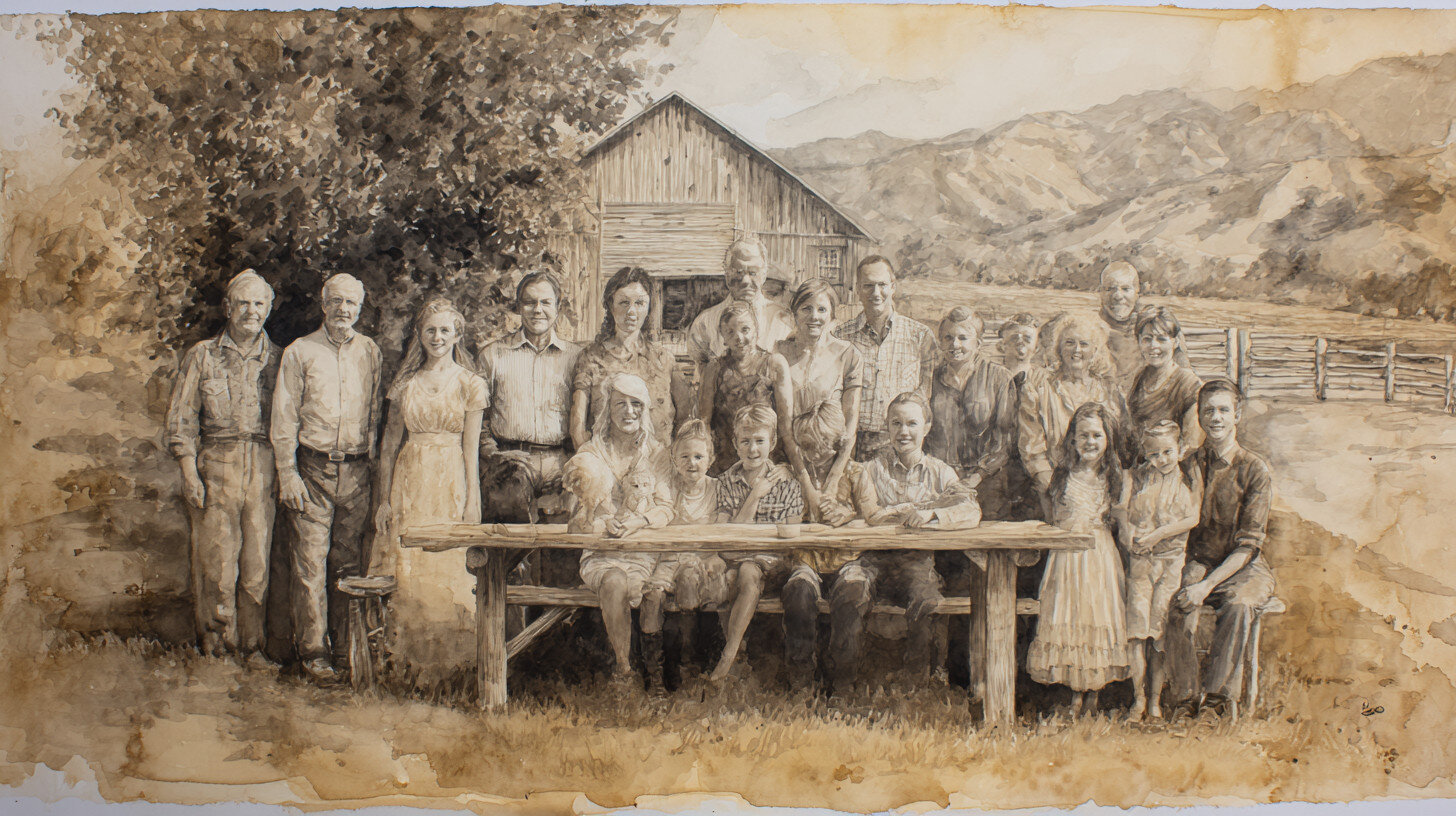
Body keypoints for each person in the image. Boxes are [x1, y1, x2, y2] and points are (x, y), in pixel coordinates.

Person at [369, 298, 487, 687]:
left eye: (445, 330)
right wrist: (384, 499)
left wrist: (472, 501)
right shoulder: (405, 386)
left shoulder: (471, 384)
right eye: (430, 330)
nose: (438, 337)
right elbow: (387, 448)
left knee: (448, 566)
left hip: (451, 477)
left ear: (458, 335)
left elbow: (471, 449)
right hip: (411, 480)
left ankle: (453, 670)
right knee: (411, 568)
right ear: (420, 334)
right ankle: (410, 667)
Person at [164, 269, 281, 660]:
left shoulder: (280, 359)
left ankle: (252, 646)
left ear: (269, 308)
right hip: (217, 463)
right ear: (228, 307)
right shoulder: (203, 355)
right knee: (217, 561)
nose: (252, 311)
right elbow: (181, 420)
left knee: (257, 565)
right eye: (244, 303)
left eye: (259, 303)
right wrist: (188, 472)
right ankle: (217, 646)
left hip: (264, 467)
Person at [272, 273, 383, 682]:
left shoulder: (370, 351)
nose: (343, 310)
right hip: (312, 469)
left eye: (351, 303)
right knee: (309, 566)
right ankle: (314, 652)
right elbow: (283, 417)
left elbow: (373, 413)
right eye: (336, 301)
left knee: (349, 564)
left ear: (360, 307)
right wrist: (288, 472)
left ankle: (346, 649)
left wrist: (371, 466)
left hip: (357, 472)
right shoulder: (300, 352)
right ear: (323, 305)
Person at [1167, 379, 1277, 717]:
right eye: (1208, 411)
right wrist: (1194, 582)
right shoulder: (1187, 466)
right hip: (1199, 560)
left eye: (1223, 410)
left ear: (1237, 414)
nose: (1216, 418)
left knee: (1239, 604)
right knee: (1177, 602)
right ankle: (1185, 699)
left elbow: (1248, 546)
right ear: (1199, 417)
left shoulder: (1254, 469)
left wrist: (1206, 586)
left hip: (1245, 566)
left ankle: (1216, 701)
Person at [564, 373, 675, 687]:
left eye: (636, 404)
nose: (629, 411)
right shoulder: (590, 452)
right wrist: (602, 522)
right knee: (614, 581)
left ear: (645, 408)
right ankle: (624, 672)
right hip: (602, 552)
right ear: (606, 409)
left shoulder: (656, 453)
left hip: (642, 551)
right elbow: (576, 517)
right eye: (620, 404)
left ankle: (649, 674)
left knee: (641, 585)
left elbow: (666, 508)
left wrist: (639, 521)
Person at [864, 392, 982, 681]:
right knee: (850, 589)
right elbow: (864, 512)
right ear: (887, 427)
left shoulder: (940, 472)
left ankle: (916, 680)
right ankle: (851, 682)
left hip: (916, 563)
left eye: (912, 424)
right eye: (896, 424)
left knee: (925, 597)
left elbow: (972, 510)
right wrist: (903, 510)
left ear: (926, 427)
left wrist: (933, 514)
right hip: (872, 560)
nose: (904, 432)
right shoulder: (871, 469)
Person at [1026, 402, 1132, 716]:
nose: (1089, 442)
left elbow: (1119, 521)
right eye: (1083, 435)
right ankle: (1074, 694)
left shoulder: (1116, 477)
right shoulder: (1062, 476)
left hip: (1098, 557)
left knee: (1094, 616)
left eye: (1097, 436)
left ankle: (1093, 696)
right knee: (1069, 616)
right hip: (1066, 558)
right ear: (1072, 439)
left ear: (1108, 440)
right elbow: (1054, 516)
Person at [780, 401, 881, 694]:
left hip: (848, 558)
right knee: (798, 595)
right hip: (806, 559)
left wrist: (849, 517)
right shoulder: (794, 475)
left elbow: (873, 519)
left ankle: (842, 683)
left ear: (836, 443)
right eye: (805, 446)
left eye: (818, 446)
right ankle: (800, 681)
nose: (811, 454)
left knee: (852, 598)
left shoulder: (856, 473)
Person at [477, 271, 582, 524]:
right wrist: (492, 454)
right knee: (509, 541)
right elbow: (479, 420)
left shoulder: (576, 357)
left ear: (557, 307)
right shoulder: (493, 356)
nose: (538, 310)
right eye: (529, 302)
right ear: (518, 307)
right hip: (508, 462)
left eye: (545, 302)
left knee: (565, 543)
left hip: (561, 462)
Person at [709, 403, 804, 683]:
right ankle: (739, 657)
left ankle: (728, 657)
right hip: (734, 560)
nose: (753, 449)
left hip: (774, 565)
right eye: (745, 441)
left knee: (749, 570)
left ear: (772, 442)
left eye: (760, 441)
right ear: (735, 444)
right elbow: (725, 538)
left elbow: (790, 539)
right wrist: (754, 497)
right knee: (724, 576)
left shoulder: (788, 483)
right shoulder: (726, 481)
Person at [638, 419, 728, 692]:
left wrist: (715, 557)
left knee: (689, 581)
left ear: (710, 460)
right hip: (668, 559)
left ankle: (688, 667)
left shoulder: (717, 488)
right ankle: (655, 674)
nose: (692, 463)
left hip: (700, 561)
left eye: (699, 457)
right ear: (674, 460)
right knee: (652, 596)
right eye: (685, 457)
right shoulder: (668, 489)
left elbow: (722, 533)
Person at [1123, 421, 1201, 721]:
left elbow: (1191, 518)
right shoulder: (1139, 477)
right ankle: (1138, 698)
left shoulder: (1189, 477)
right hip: (1141, 564)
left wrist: (1156, 536)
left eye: (1168, 452)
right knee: (1137, 632)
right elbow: (1123, 513)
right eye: (1154, 454)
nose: (1162, 459)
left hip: (1170, 562)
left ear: (1179, 449)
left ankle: (1155, 698)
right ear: (1146, 455)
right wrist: (1130, 538)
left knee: (1158, 633)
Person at [1018, 312, 1131, 517]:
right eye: (1069, 343)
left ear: (1095, 350)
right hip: (1052, 490)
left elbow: (1119, 447)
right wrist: (1055, 490)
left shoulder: (1109, 391)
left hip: (1100, 490)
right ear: (1059, 348)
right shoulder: (1039, 387)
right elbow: (1032, 450)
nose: (1077, 350)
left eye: (1084, 344)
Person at [775, 278, 864, 520]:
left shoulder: (849, 354)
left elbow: (850, 426)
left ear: (832, 315)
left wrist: (833, 481)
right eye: (807, 308)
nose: (814, 316)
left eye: (822, 309)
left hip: (833, 462)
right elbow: (784, 426)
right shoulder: (779, 353)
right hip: (792, 463)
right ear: (794, 313)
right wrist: (805, 483)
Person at [833, 256, 936, 462]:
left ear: (893, 286)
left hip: (902, 441)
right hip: (854, 442)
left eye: (882, 285)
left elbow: (925, 392)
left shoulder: (920, 336)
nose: (875, 293)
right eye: (868, 286)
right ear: (857, 289)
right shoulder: (841, 337)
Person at [572, 267, 687, 449]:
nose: (631, 311)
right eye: (624, 303)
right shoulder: (590, 358)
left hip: (658, 465)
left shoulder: (664, 360)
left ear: (648, 307)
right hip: (606, 465)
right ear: (611, 305)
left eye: (639, 303)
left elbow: (686, 419)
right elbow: (578, 429)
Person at [925, 307, 1016, 517]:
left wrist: (978, 476)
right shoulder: (929, 378)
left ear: (978, 344)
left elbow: (1005, 440)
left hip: (987, 485)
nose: (955, 345)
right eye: (948, 338)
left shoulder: (999, 378)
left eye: (963, 338)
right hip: (939, 485)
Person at [697, 301, 801, 478]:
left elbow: (785, 423)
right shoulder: (714, 368)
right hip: (725, 461)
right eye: (730, 332)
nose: (739, 337)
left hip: (765, 459)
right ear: (723, 336)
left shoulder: (774, 364)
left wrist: (792, 466)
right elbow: (704, 420)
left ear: (756, 330)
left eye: (745, 330)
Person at [687, 235, 796, 368]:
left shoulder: (784, 320)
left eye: (753, 272)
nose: (745, 281)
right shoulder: (704, 323)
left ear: (764, 274)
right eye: (738, 272)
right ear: (726, 274)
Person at [1042, 262, 1144, 387]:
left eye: (1126, 289)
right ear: (1100, 292)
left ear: (1137, 293)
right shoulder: (1084, 329)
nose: (1117, 296)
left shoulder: (1148, 333)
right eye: (1109, 289)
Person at [1128, 306, 1202, 451]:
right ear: (1139, 342)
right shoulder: (1140, 377)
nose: (1153, 346)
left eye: (1161, 339)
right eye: (1147, 339)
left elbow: (1192, 443)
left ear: (1175, 342)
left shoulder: (1189, 384)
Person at [998, 313, 1047, 523]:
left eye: (1027, 339)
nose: (1020, 344)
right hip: (999, 466)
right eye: (1013, 339)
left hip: (1033, 465)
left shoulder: (1045, 381)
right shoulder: (992, 379)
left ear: (1036, 347)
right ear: (1001, 346)